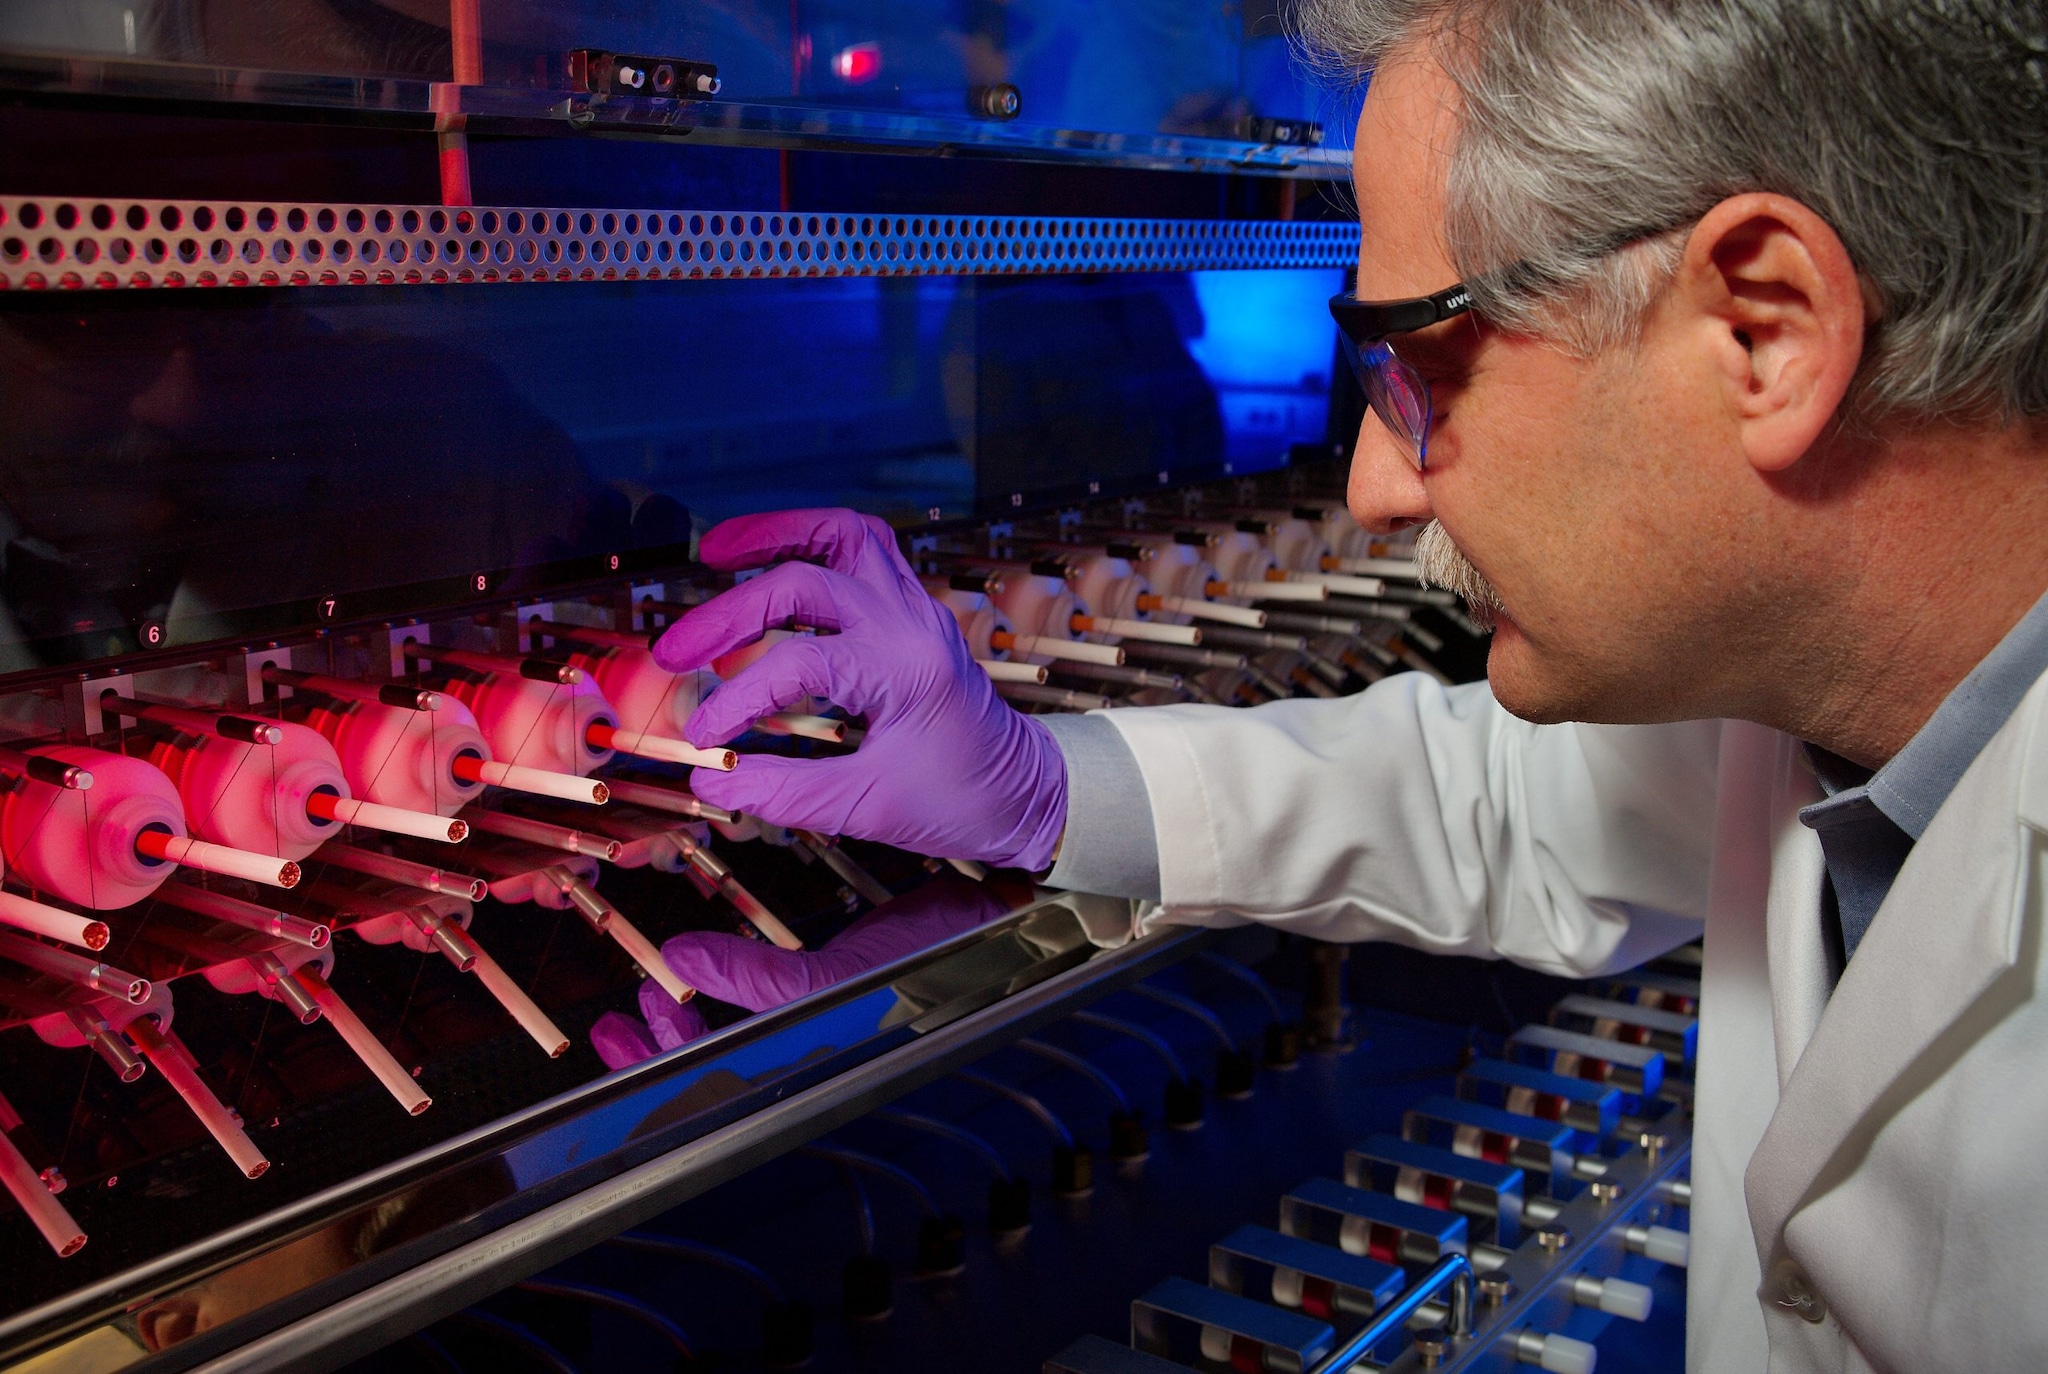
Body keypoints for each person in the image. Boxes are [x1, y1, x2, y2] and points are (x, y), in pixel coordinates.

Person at [645, 2, 2048, 1369]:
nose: (1374, 486)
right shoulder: (1828, 694)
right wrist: (1039, 785)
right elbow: (1508, 799)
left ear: (1766, 329)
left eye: (1423, 369)